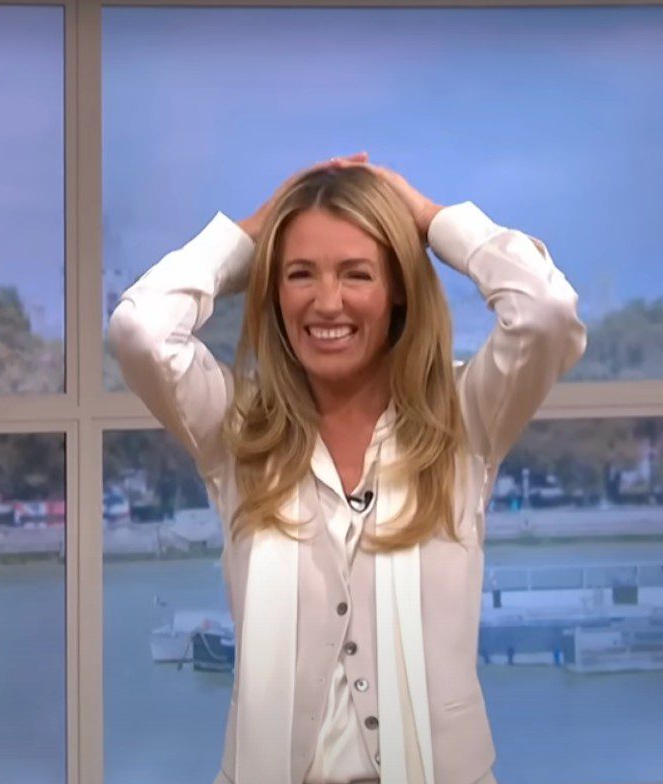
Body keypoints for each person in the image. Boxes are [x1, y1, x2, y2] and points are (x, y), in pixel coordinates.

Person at [109, 154, 586, 783]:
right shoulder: (236, 430)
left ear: (397, 293)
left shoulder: (464, 420)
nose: (326, 302)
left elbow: (546, 310)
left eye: (357, 274)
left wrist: (428, 219)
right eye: (299, 274)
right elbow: (141, 330)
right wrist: (251, 233)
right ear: (273, 293)